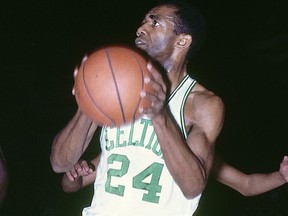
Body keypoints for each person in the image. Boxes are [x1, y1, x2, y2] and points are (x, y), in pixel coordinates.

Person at [50, 1, 224, 215]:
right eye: (143, 21)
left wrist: (160, 116)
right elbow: (59, 164)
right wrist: (89, 98)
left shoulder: (203, 103)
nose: (141, 28)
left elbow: (192, 186)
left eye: (155, 22)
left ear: (182, 41)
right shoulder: (117, 84)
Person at [61, 155, 288, 196]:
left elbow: (246, 184)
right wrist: (73, 176)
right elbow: (70, 186)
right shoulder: (120, 136)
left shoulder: (191, 151)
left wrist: (281, 176)